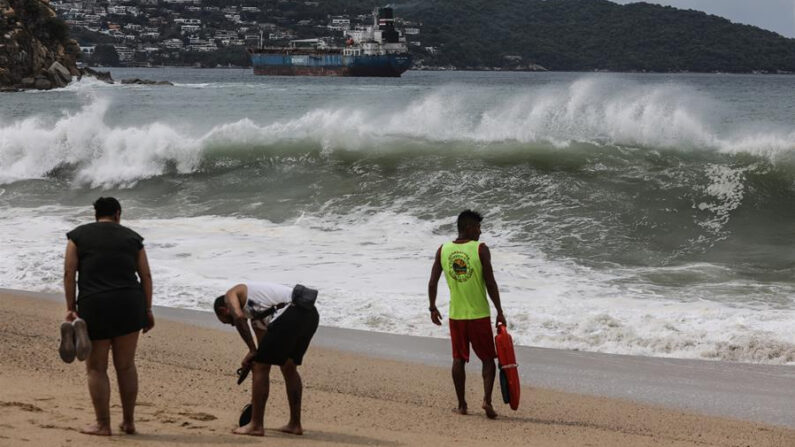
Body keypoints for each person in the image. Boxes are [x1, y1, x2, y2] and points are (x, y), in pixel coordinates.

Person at [63, 197, 155, 436]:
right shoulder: (133, 238)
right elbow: (145, 276)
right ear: (117, 214)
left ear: (96, 215)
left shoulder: (77, 237)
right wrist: (147, 310)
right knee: (125, 366)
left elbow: (69, 273)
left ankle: (103, 425)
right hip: (129, 304)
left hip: (95, 305)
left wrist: (70, 307)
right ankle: (128, 422)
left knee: (96, 368)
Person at [427, 210, 506, 419]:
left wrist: (432, 307)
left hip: (456, 316)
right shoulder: (480, 249)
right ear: (469, 228)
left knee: (458, 359)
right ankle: (487, 400)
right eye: (478, 228)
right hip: (479, 315)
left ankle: (462, 405)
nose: (480, 232)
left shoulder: (443, 250)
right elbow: (490, 283)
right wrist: (499, 311)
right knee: (488, 359)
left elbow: (432, 282)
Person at [213, 282, 319, 437]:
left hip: (291, 311)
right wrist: (252, 355)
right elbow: (263, 353)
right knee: (288, 367)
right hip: (309, 315)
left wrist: (252, 352)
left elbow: (239, 318)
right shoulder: (258, 317)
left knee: (260, 366)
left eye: (228, 321)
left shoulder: (231, 295)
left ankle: (256, 425)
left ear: (224, 309)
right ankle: (295, 425)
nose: (231, 325)